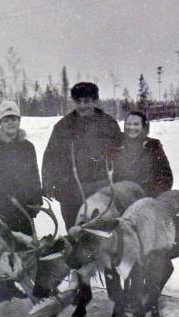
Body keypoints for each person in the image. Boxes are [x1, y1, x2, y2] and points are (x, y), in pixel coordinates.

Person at [0, 100, 42, 301]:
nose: (10, 123)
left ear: (19, 121)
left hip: (24, 207)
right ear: (0, 122)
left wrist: (36, 199)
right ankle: (4, 287)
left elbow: (34, 173)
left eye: (14, 119)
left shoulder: (27, 146)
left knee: (24, 246)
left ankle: (21, 282)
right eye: (6, 120)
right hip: (0, 207)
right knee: (3, 246)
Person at [41, 82, 122, 230]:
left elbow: (121, 153)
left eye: (87, 101)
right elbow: (50, 156)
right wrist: (48, 183)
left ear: (95, 101)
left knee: (102, 232)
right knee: (75, 233)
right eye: (78, 102)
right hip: (70, 190)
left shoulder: (108, 124)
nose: (82, 106)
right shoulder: (63, 126)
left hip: (101, 188)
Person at [112, 111, 173, 197]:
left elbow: (165, 178)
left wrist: (151, 196)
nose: (131, 127)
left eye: (136, 124)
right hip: (120, 198)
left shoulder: (153, 146)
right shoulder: (116, 146)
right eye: (128, 124)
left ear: (143, 127)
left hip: (146, 198)